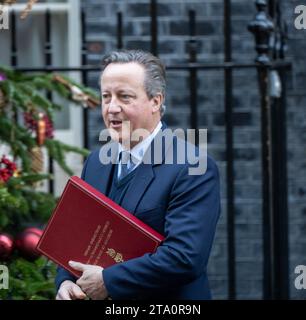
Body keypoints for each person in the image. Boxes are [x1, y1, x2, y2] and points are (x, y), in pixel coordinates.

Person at [55, 49, 220, 300]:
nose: (111, 108)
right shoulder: (96, 162)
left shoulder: (193, 167)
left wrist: (107, 281)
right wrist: (66, 281)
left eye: (124, 97)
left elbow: (185, 257)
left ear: (156, 100)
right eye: (106, 96)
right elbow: (78, 237)